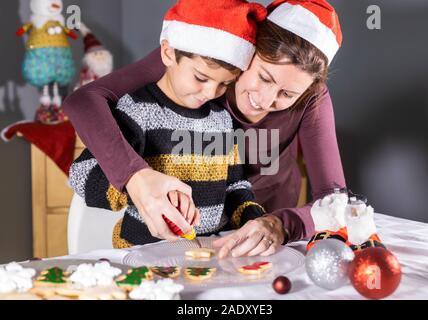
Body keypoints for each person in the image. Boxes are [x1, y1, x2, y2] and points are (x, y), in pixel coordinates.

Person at [64, 0, 384, 257]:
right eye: (263, 77)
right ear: (247, 49)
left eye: (287, 94)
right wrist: (136, 177)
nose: (265, 100)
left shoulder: (312, 97)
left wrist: (281, 225)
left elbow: (334, 199)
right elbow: (84, 102)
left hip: (261, 230)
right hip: (168, 238)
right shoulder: (203, 58)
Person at [68, 0, 267, 248]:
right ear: (168, 53)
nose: (211, 92)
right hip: (144, 254)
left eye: (225, 84)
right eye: (201, 77)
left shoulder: (221, 119)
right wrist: (137, 187)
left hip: (210, 252)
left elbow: (235, 184)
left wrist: (251, 217)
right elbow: (80, 174)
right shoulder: (138, 110)